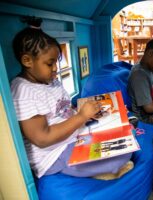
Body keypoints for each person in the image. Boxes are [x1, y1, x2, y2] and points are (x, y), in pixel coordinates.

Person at [10, 17, 132, 179]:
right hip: (54, 154)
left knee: (124, 135)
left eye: (57, 62)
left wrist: (84, 112)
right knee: (120, 153)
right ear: (27, 61)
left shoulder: (51, 81)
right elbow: (43, 139)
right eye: (49, 63)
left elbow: (63, 111)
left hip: (73, 136)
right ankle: (106, 172)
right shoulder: (23, 91)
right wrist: (82, 116)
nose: (55, 69)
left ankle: (103, 166)